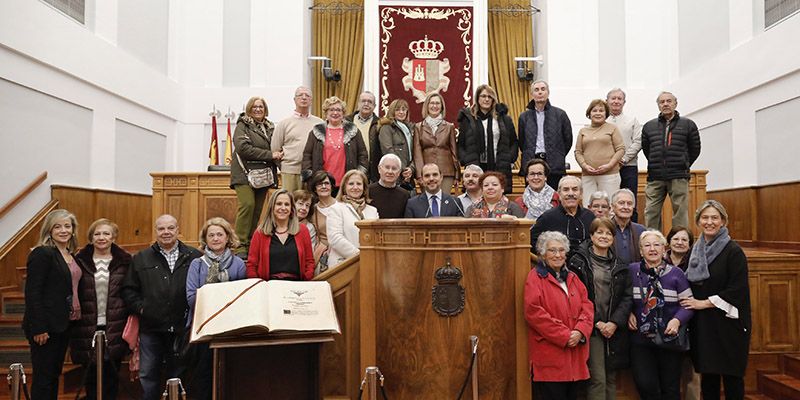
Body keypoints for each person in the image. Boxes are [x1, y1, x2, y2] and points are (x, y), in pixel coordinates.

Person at [122, 215, 202, 400]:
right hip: (151, 328)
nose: (166, 232)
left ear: (178, 230)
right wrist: (143, 309)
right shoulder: (141, 258)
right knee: (148, 375)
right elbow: (129, 290)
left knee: (179, 375)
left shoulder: (194, 256)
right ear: (155, 231)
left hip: (183, 328)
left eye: (170, 228)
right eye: (161, 229)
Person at [681, 200, 751, 400]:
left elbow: (737, 290)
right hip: (704, 324)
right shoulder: (695, 250)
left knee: (732, 377)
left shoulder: (733, 251)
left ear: (723, 221)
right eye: (705, 217)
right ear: (698, 221)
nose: (709, 222)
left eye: (714, 218)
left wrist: (703, 303)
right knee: (708, 376)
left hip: (729, 324)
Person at [567, 218, 632, 400]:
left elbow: (627, 297)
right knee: (598, 379)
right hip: (591, 327)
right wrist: (597, 322)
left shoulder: (620, 264)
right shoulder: (578, 262)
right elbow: (576, 297)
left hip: (613, 328)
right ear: (591, 235)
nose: (604, 236)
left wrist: (614, 323)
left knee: (611, 378)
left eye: (608, 233)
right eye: (599, 232)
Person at [525, 231, 593, 400]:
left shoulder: (573, 277)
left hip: (576, 358)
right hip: (551, 359)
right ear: (542, 253)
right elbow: (534, 312)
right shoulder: (535, 278)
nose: (558, 255)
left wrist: (580, 331)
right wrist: (565, 336)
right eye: (552, 250)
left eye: (561, 250)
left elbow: (587, 306)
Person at [628, 230, 694, 400]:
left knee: (670, 388)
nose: (652, 249)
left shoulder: (676, 273)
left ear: (664, 249)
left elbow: (688, 304)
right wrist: (628, 313)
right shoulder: (632, 271)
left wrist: (677, 320)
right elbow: (623, 299)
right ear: (641, 251)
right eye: (647, 245)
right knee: (645, 384)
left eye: (657, 245)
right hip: (640, 340)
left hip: (669, 339)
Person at [185, 218, 246, 400]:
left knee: (231, 375)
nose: (216, 238)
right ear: (205, 239)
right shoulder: (197, 264)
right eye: (211, 235)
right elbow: (191, 297)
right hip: (204, 326)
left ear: (228, 237)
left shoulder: (238, 264)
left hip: (230, 327)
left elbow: (242, 298)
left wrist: (213, 297)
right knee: (203, 375)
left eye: (220, 234)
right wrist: (220, 300)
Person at [71, 218, 132, 400]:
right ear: (91, 238)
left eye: (106, 233)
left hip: (115, 325)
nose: (101, 237)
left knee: (112, 375)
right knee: (90, 377)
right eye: (97, 234)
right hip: (86, 326)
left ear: (113, 237)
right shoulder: (79, 261)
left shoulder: (125, 261)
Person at [23, 209, 81, 400]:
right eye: (57, 227)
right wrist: (39, 327)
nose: (63, 230)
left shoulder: (70, 254)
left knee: (54, 375)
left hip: (64, 324)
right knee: (44, 378)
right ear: (49, 230)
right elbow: (33, 293)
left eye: (67, 226)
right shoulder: (42, 253)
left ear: (73, 229)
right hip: (45, 327)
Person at [642, 91, 701, 231]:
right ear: (658, 105)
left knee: (680, 213)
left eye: (669, 101)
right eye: (662, 102)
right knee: (651, 212)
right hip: (655, 176)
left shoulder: (688, 124)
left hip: (679, 176)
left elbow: (695, 149)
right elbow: (647, 150)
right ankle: (652, 240)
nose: (665, 104)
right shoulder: (649, 126)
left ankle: (679, 241)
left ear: (675, 103)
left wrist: (683, 163)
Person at [230, 96, 281, 257]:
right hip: (244, 174)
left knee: (257, 210)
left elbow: (277, 148)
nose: (258, 109)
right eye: (254, 107)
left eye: (261, 107)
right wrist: (270, 155)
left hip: (263, 175)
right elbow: (243, 148)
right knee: (248, 205)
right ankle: (240, 245)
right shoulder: (242, 125)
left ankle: (251, 243)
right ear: (249, 109)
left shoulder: (270, 127)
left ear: (265, 109)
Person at [457, 84, 518, 193]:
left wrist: (510, 158)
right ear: (477, 98)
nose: (486, 99)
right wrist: (465, 159)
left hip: (499, 165)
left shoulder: (503, 119)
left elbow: (513, 142)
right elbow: (461, 144)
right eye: (483, 96)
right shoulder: (468, 119)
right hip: (475, 165)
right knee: (475, 195)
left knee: (497, 195)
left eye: (490, 97)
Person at [246, 189, 315, 281]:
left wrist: (305, 280)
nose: (283, 208)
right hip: (269, 285)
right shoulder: (260, 232)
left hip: (296, 285)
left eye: (287, 204)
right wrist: (259, 285)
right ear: (272, 207)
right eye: (279, 204)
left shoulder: (302, 230)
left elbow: (309, 262)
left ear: (292, 208)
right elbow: (251, 265)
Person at [665, 225, 700, 400]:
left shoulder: (697, 263)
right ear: (668, 242)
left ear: (690, 244)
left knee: (691, 372)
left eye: (684, 240)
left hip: (693, 323)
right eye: (676, 239)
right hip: (665, 324)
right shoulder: (658, 261)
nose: (680, 242)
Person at [302, 96, 368, 188]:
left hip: (348, 182)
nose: (335, 113)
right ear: (326, 112)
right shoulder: (316, 132)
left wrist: (359, 175)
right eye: (331, 110)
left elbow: (362, 154)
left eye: (338, 110)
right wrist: (310, 177)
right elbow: (307, 155)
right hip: (322, 182)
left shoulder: (353, 131)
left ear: (343, 113)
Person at [518, 80, 573, 190]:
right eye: (536, 90)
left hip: (554, 164)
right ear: (532, 94)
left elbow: (568, 140)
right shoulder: (524, 117)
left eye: (543, 89)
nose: (540, 92)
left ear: (548, 92)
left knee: (553, 196)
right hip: (532, 162)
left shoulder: (560, 114)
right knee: (532, 196)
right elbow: (522, 142)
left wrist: (558, 154)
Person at [271, 86, 324, 192]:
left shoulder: (320, 123)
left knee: (310, 200)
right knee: (290, 200)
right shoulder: (284, 124)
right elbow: (275, 150)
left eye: (307, 95)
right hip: (290, 172)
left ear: (311, 100)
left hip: (313, 171)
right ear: (294, 100)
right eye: (300, 95)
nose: (304, 98)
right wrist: (286, 166)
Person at [575, 99, 625, 206]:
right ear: (589, 113)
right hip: (588, 175)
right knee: (588, 206)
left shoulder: (612, 128)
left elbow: (621, 149)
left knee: (609, 206)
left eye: (601, 111)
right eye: (594, 110)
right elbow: (578, 152)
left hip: (610, 175)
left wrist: (609, 165)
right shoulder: (583, 131)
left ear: (606, 114)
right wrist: (584, 166)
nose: (598, 113)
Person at [326, 170, 379, 268]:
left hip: (369, 264)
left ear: (364, 188)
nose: (355, 187)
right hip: (343, 265)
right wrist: (359, 256)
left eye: (359, 184)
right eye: (351, 184)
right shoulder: (335, 209)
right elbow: (335, 238)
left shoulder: (373, 211)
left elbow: (376, 238)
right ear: (344, 187)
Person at [531, 176, 596, 253]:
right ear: (559, 194)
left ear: (581, 193)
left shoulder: (590, 216)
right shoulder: (547, 217)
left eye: (575, 189)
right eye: (566, 190)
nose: (571, 193)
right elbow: (531, 241)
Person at [607, 88, 642, 223]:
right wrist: (611, 163)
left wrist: (623, 159)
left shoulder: (632, 120)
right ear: (607, 101)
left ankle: (632, 231)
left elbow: (638, 142)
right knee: (609, 202)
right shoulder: (601, 120)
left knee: (630, 202)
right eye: (613, 98)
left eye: (619, 99)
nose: (616, 101)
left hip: (628, 167)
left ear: (624, 102)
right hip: (608, 168)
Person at [413, 92, 459, 194]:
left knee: (443, 201)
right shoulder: (418, 127)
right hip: (426, 173)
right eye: (432, 103)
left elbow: (454, 152)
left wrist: (457, 175)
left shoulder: (449, 127)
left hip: (446, 172)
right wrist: (420, 175)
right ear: (427, 105)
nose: (434, 106)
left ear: (442, 106)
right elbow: (417, 153)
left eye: (437, 103)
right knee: (428, 201)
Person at [378, 98, 416, 190]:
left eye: (404, 109)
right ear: (392, 111)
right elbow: (388, 150)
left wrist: (411, 169)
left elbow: (414, 152)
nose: (401, 112)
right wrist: (402, 169)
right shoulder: (386, 128)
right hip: (393, 174)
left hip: (408, 176)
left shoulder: (410, 129)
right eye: (398, 109)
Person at [345, 91, 381, 181]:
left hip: (372, 172)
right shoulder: (346, 122)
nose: (366, 104)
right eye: (363, 101)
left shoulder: (380, 124)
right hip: (349, 169)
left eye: (369, 102)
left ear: (374, 106)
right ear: (358, 103)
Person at [307, 171, 337, 274]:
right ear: (315, 189)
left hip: (340, 251)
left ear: (332, 186)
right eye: (320, 184)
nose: (323, 186)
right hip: (322, 254)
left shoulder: (342, 206)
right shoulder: (312, 210)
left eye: (326, 183)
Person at [610, 189, 646, 266]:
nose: (626, 207)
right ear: (613, 206)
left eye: (629, 203)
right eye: (621, 203)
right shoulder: (605, 228)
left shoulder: (641, 230)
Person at [369, 153, 411, 218]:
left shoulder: (405, 195)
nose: (390, 172)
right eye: (387, 167)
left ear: (399, 172)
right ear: (379, 169)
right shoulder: (368, 191)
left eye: (394, 168)